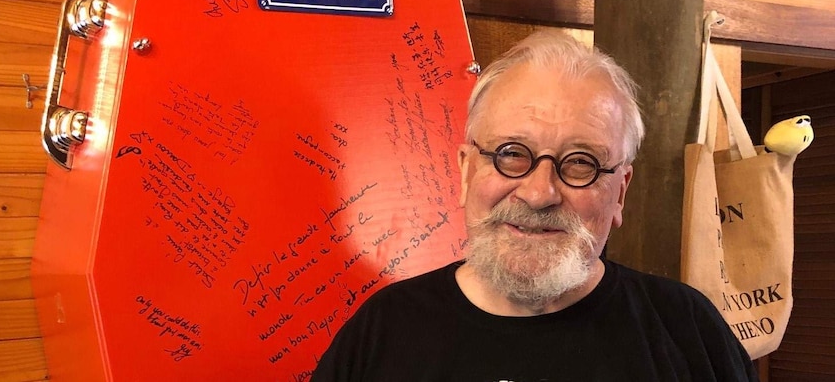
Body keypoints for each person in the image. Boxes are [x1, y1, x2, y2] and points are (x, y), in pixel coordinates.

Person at [311, 31, 758, 381]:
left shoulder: (689, 330)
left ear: (620, 191)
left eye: (581, 163)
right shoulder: (381, 332)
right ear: (467, 172)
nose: (539, 192)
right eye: (511, 153)